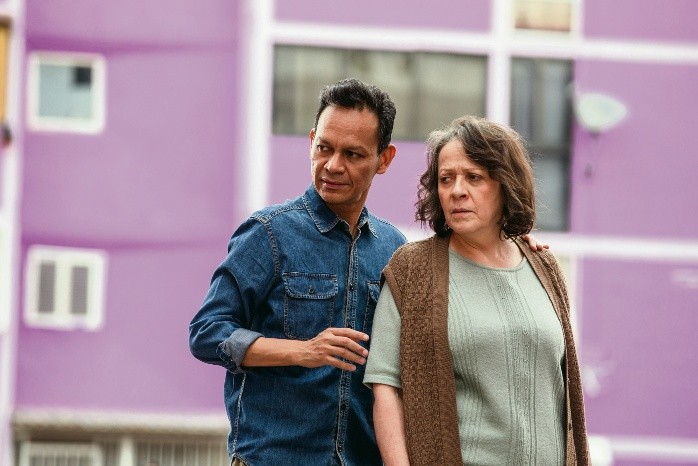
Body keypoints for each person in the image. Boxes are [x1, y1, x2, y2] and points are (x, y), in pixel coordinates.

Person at [189, 80, 546, 465]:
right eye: (324, 147)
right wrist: (303, 351)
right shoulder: (268, 234)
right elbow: (207, 333)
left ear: (384, 159)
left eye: (353, 154)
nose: (333, 165)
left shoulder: (395, 250)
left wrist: (507, 241)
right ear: (311, 141)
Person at [364, 116, 589, 465]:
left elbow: (564, 391)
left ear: (505, 183)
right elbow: (386, 389)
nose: (457, 190)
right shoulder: (412, 270)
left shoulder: (545, 267)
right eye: (446, 179)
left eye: (474, 177)